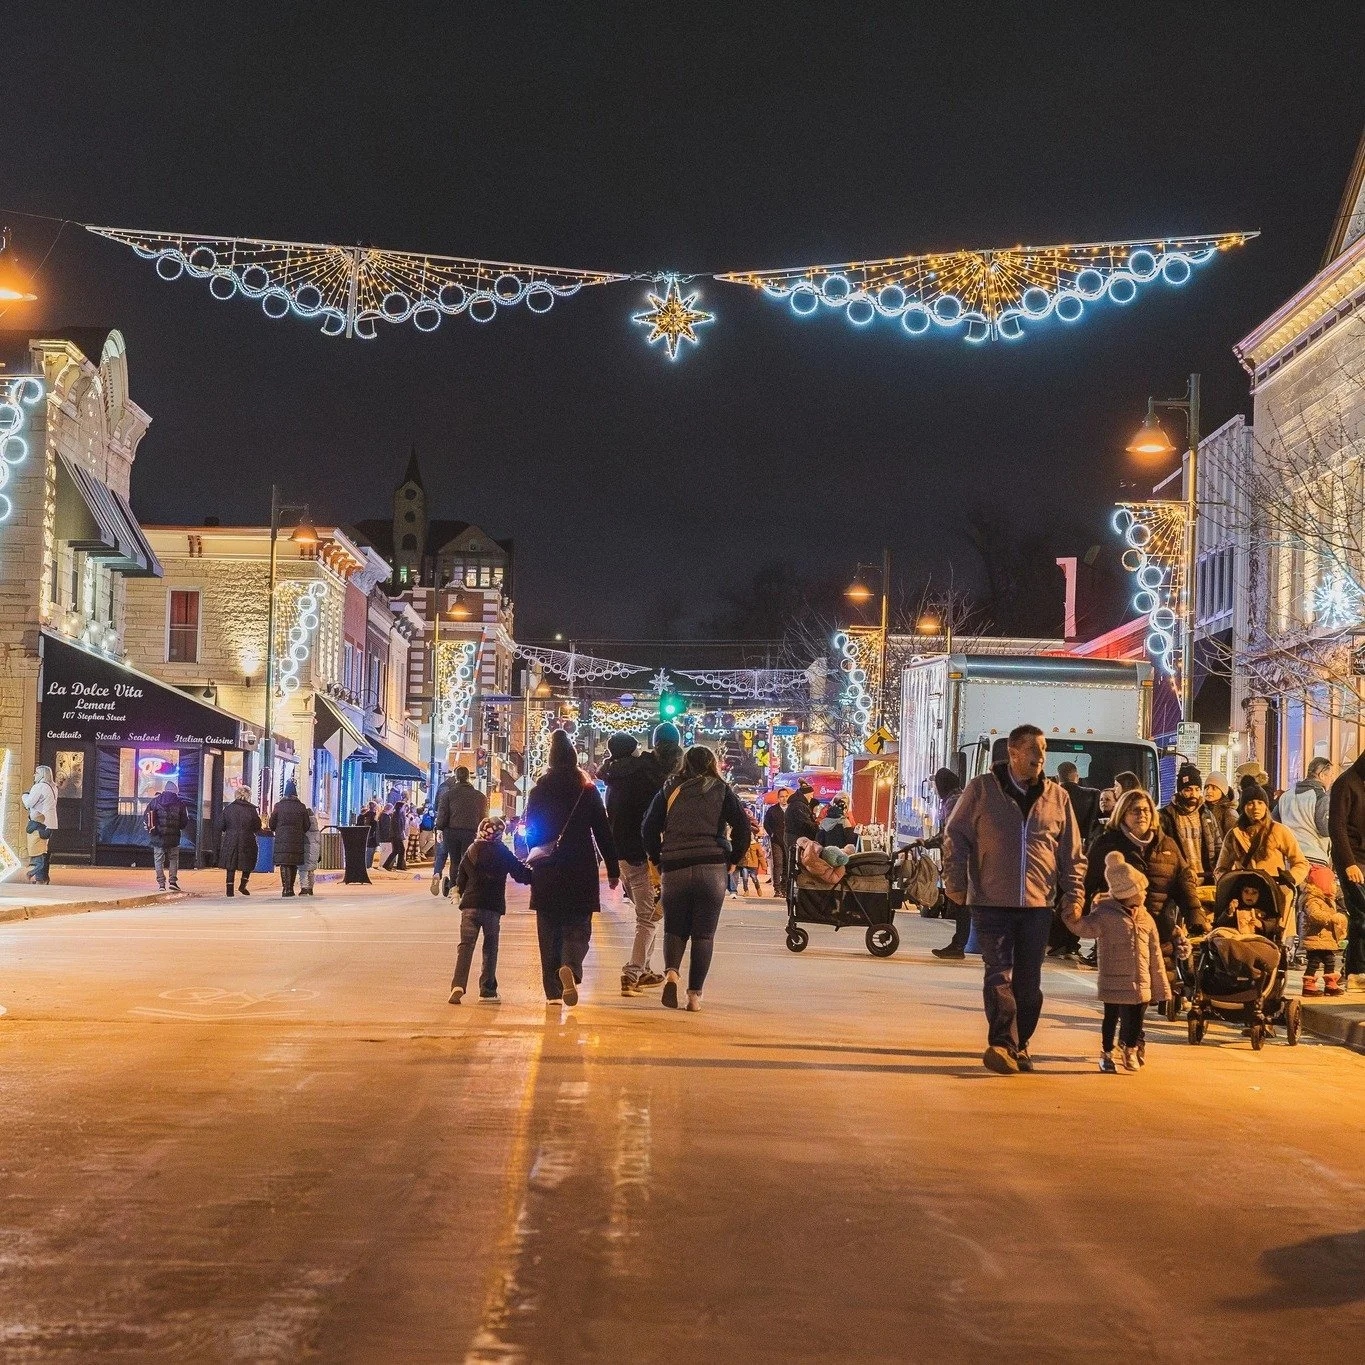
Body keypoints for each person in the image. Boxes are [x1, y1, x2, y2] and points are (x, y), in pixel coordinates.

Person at [943, 723, 1086, 1075]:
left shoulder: (1058, 798)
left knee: (1028, 981)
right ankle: (1002, 1044)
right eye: (1034, 749)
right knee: (999, 974)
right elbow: (955, 836)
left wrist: (1074, 896)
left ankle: (1021, 1043)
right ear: (1014, 752)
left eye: (1044, 749)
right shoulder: (981, 790)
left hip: (1038, 905)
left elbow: (1072, 854)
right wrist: (955, 880)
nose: (1041, 756)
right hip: (991, 900)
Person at [642, 744, 751, 1011]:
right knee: (703, 935)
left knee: (674, 928)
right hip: (711, 866)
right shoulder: (722, 790)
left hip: (675, 865)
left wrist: (658, 858)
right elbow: (743, 826)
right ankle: (694, 996)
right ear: (712, 763)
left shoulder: (669, 789)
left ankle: (671, 973)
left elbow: (648, 827)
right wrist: (734, 858)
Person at [523, 730, 619, 1006]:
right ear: (574, 758)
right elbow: (603, 830)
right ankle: (571, 965)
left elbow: (530, 830)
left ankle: (552, 993)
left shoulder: (538, 790)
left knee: (548, 929)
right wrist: (613, 869)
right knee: (578, 925)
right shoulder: (586, 790)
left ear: (550, 760)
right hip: (580, 867)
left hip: (546, 867)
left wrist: (535, 849)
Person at [1085, 787, 1206, 993]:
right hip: (1121, 930)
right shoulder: (1107, 844)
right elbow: (1088, 882)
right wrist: (1080, 911)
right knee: (1127, 991)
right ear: (1123, 813)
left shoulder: (1167, 845)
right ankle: (1126, 1023)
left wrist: (1195, 916)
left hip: (1159, 926)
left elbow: (1184, 883)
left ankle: (1135, 1023)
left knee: (1154, 984)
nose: (1142, 815)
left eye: (1146, 810)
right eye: (1135, 810)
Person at [1063, 851, 1172, 1073]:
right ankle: (1106, 1052)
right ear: (1126, 894)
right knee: (1110, 1019)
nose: (1144, 893)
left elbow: (1155, 953)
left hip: (1141, 980)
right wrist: (1071, 917)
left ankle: (1130, 1049)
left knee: (1136, 1021)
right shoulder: (1105, 915)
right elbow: (1085, 928)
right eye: (1140, 890)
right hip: (1113, 979)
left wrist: (1160, 984)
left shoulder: (1146, 918)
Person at [599, 732, 667, 997]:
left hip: (622, 854)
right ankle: (632, 972)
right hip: (642, 854)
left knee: (648, 914)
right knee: (648, 918)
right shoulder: (643, 775)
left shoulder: (612, 777)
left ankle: (645, 969)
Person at [449, 816, 533, 1004]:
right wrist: (538, 874)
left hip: (469, 906)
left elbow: (460, 877)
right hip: (492, 907)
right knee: (490, 948)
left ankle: (458, 985)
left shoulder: (472, 850)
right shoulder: (502, 851)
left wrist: (458, 891)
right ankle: (487, 991)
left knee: (465, 946)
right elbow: (520, 874)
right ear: (499, 834)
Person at [1215, 775, 1309, 928]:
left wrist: (1290, 879)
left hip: (1274, 897)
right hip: (1245, 897)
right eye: (1250, 803)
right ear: (1244, 806)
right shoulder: (1234, 834)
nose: (1256, 807)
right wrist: (1230, 884)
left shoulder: (1279, 831)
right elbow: (1221, 869)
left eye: (1260, 803)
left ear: (1266, 806)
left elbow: (1300, 862)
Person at [1329, 751, 1365, 990]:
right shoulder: (1346, 783)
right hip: (1352, 859)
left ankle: (1352, 966)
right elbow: (1337, 826)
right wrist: (1349, 863)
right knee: (1361, 913)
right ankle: (1356, 970)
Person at [927, 768, 970, 960]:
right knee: (965, 903)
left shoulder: (953, 802)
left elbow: (951, 831)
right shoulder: (958, 798)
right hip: (965, 857)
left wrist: (929, 842)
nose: (936, 790)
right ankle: (959, 943)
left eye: (937, 785)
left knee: (963, 903)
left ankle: (958, 945)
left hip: (962, 859)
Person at [1159, 763, 1221, 885]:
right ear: (1180, 791)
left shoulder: (1207, 815)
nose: (1193, 794)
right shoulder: (1165, 817)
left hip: (1206, 879)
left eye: (1197, 789)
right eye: (1188, 790)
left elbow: (1218, 846)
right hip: (1178, 883)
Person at [432, 766, 488, 896]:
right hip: (471, 832)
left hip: (452, 832)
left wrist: (440, 829)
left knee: (455, 861)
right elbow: (484, 817)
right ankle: (468, 887)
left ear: (456, 777)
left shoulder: (448, 795)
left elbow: (443, 814)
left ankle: (454, 889)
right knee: (468, 860)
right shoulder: (480, 796)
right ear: (469, 778)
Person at [1300, 863, 1348, 996]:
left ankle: (1330, 984)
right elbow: (1315, 915)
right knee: (1314, 962)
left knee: (1330, 961)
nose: (1334, 885)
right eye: (1332, 882)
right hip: (1316, 939)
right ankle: (1309, 985)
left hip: (1326, 940)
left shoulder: (1328, 900)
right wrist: (1332, 917)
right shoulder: (1312, 900)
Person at [1276, 756, 1333, 868]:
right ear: (1321, 775)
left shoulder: (1286, 796)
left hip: (1289, 858)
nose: (1332, 780)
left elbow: (1275, 822)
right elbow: (1325, 830)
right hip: (1314, 859)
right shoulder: (1320, 797)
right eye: (1330, 776)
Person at [146, 780, 191, 891]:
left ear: (165, 790)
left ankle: (161, 884)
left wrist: (154, 830)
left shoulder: (154, 802)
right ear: (175, 791)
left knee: (158, 860)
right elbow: (184, 822)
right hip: (174, 837)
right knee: (173, 859)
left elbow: (147, 817)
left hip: (158, 836)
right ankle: (173, 882)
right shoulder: (180, 803)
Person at [217, 785, 261, 896]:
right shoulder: (252, 810)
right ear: (248, 796)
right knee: (248, 862)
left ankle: (229, 890)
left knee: (230, 864)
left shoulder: (229, 808)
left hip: (231, 839)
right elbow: (257, 826)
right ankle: (243, 885)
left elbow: (220, 824)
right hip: (247, 839)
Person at [270, 780, 310, 897]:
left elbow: (272, 823)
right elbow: (307, 825)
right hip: (297, 840)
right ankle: (291, 888)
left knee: (284, 863)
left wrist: (277, 829)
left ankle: (285, 889)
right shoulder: (301, 807)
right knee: (293, 864)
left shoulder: (278, 806)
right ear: (295, 794)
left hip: (281, 839)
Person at [20, 764, 58, 885]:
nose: (34, 775)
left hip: (39, 822)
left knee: (37, 851)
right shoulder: (53, 788)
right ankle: (43, 877)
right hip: (50, 823)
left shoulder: (39, 787)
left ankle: (40, 878)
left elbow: (29, 803)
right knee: (44, 851)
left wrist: (24, 796)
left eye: (36, 773)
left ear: (41, 774)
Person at [1056, 762, 1100, 844]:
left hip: (1056, 845)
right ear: (1077, 776)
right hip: (1083, 845)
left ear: (1057, 778)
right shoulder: (1093, 794)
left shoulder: (1050, 796)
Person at [763, 790, 789, 898]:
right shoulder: (772, 810)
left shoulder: (791, 810)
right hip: (776, 841)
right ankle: (777, 888)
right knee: (778, 864)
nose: (784, 799)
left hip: (788, 842)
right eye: (782, 797)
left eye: (786, 796)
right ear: (778, 798)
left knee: (787, 865)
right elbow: (766, 823)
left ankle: (785, 888)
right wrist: (772, 834)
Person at [1203, 774, 1237, 849]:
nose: (1209, 791)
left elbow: (1233, 842)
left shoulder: (1229, 813)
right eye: (1206, 787)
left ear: (1222, 791)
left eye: (1214, 788)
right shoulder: (1202, 810)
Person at [784, 779, 819, 848]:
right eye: (811, 794)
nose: (812, 797)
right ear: (806, 794)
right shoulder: (799, 806)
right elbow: (805, 823)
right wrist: (817, 829)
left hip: (793, 837)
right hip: (796, 838)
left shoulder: (798, 804)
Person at [300, 806, 321, 895]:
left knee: (303, 870)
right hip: (315, 854)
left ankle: (304, 888)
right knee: (311, 871)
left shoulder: (304, 830)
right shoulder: (317, 831)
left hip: (306, 853)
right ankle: (310, 888)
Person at [384, 792, 408, 871]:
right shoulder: (396, 815)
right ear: (400, 807)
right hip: (395, 836)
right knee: (397, 850)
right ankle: (389, 865)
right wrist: (399, 836)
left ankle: (398, 865)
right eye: (403, 807)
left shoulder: (399, 815)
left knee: (398, 850)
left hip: (397, 835)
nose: (404, 809)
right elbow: (397, 827)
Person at [357, 798, 380, 869]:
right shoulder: (373, 816)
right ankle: (367, 866)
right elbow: (374, 828)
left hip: (364, 835)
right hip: (371, 837)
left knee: (366, 852)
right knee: (370, 853)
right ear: (375, 807)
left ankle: (364, 865)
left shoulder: (362, 816)